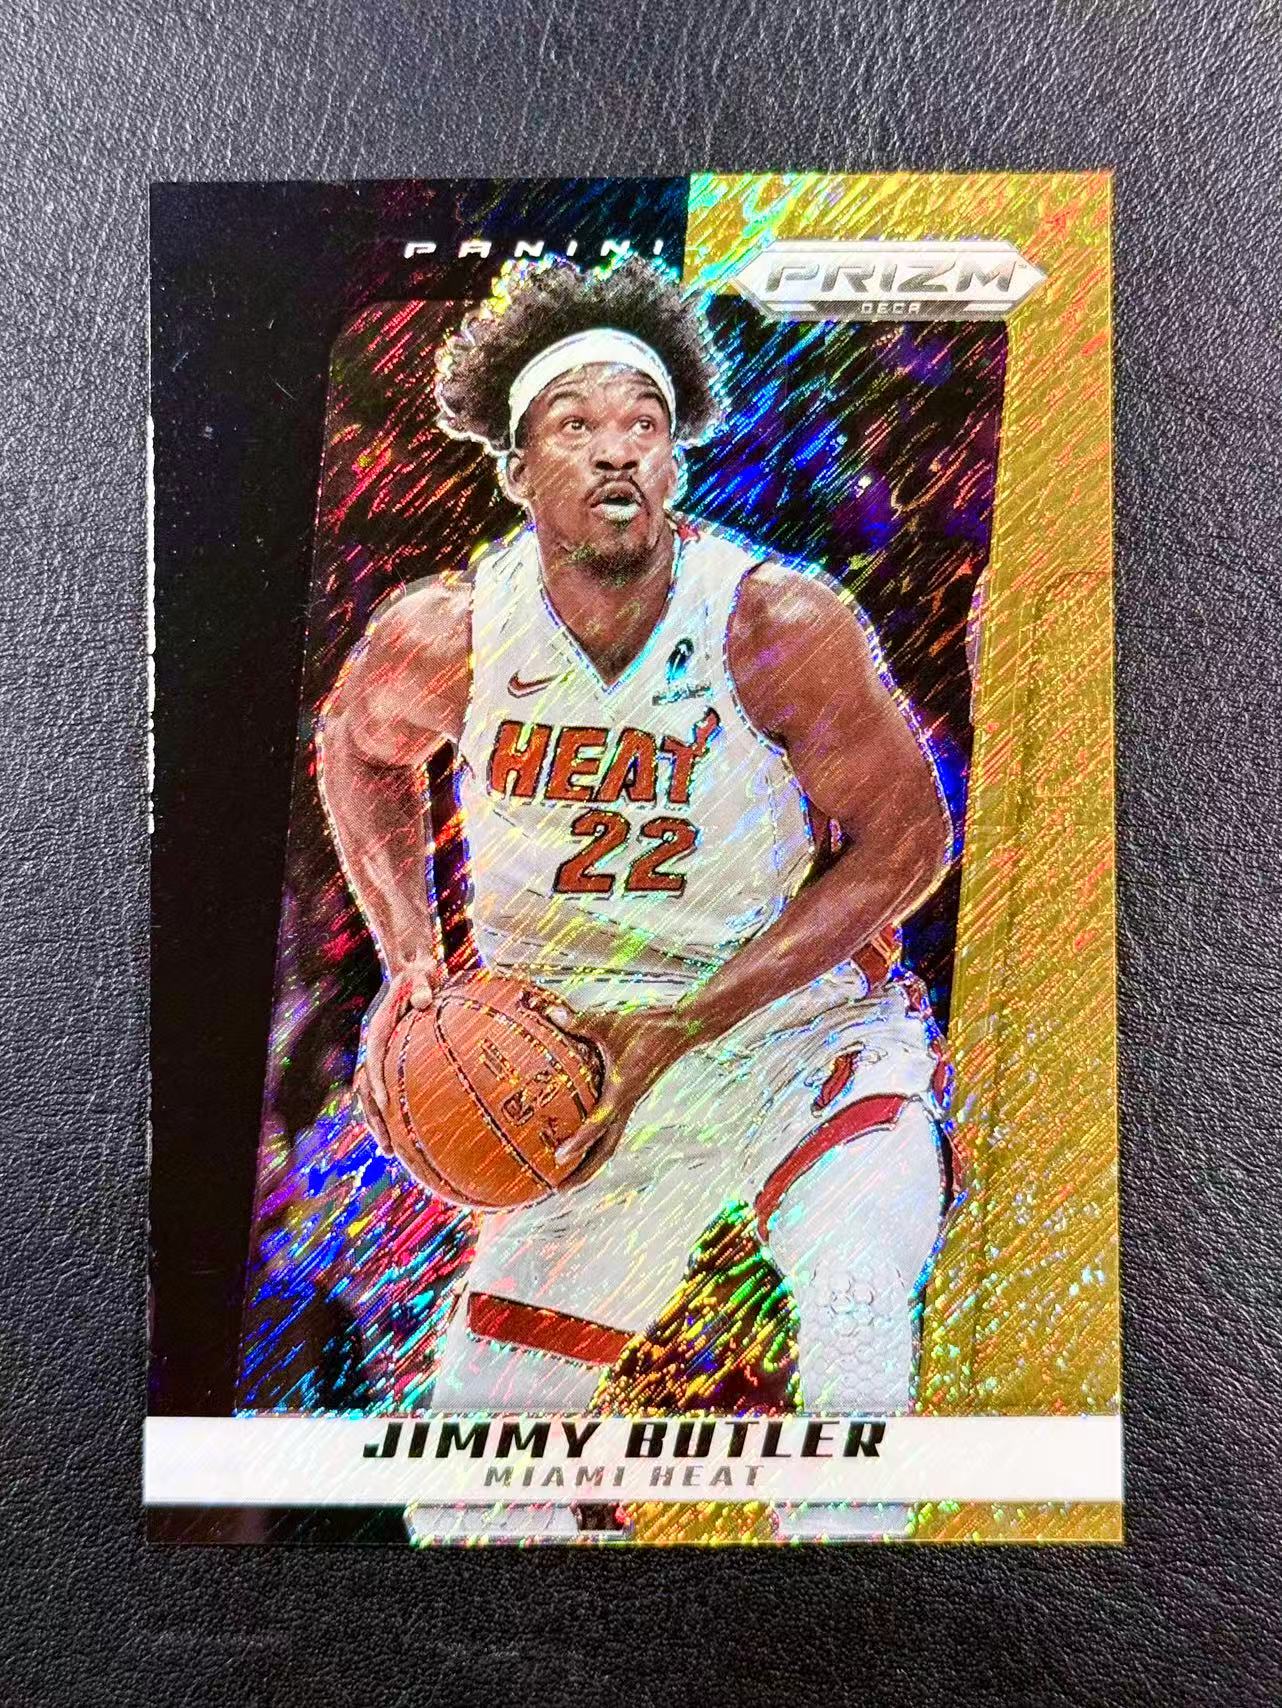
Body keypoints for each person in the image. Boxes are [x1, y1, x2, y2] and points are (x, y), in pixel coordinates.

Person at [317, 255, 956, 1541]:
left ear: (672, 458)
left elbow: (906, 842)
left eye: (643, 423)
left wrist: (687, 1019)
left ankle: (852, 1625)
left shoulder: (775, 624)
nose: (616, 448)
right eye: (576, 423)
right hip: (583, 1069)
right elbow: (356, 747)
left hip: (793, 1037)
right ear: (515, 469)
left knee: (853, 1308)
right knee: (466, 1494)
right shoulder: (445, 635)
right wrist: (411, 961)